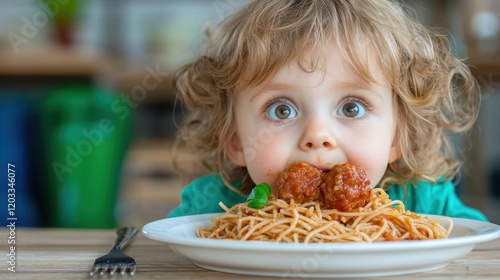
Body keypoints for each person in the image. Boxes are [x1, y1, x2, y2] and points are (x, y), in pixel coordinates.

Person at [167, 0, 487, 221]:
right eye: (281, 110)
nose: (317, 136)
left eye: (351, 107)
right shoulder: (211, 209)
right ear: (235, 139)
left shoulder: (425, 206)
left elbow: (482, 251)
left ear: (397, 136)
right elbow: (161, 255)